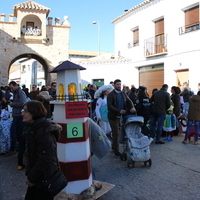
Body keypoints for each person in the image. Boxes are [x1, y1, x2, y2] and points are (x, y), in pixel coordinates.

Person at [21, 100, 63, 200]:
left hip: (43, 178)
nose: (22, 113)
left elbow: (45, 158)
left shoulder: (43, 131)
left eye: (25, 111)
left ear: (34, 112)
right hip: (39, 177)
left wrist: (31, 178)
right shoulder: (32, 128)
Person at [107, 79, 136, 156]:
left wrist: (132, 107)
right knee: (116, 133)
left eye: (120, 84)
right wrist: (119, 111)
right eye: (117, 84)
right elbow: (110, 106)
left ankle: (114, 147)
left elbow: (129, 101)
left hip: (121, 115)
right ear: (114, 85)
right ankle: (116, 150)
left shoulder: (123, 93)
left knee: (118, 132)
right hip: (113, 116)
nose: (119, 86)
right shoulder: (111, 94)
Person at [5, 81, 27, 170]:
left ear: (15, 86)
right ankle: (16, 149)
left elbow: (23, 103)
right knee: (15, 134)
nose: (11, 89)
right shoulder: (16, 92)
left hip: (18, 116)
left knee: (17, 134)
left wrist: (12, 104)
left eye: (11, 87)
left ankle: (16, 149)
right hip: (16, 115)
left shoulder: (20, 92)